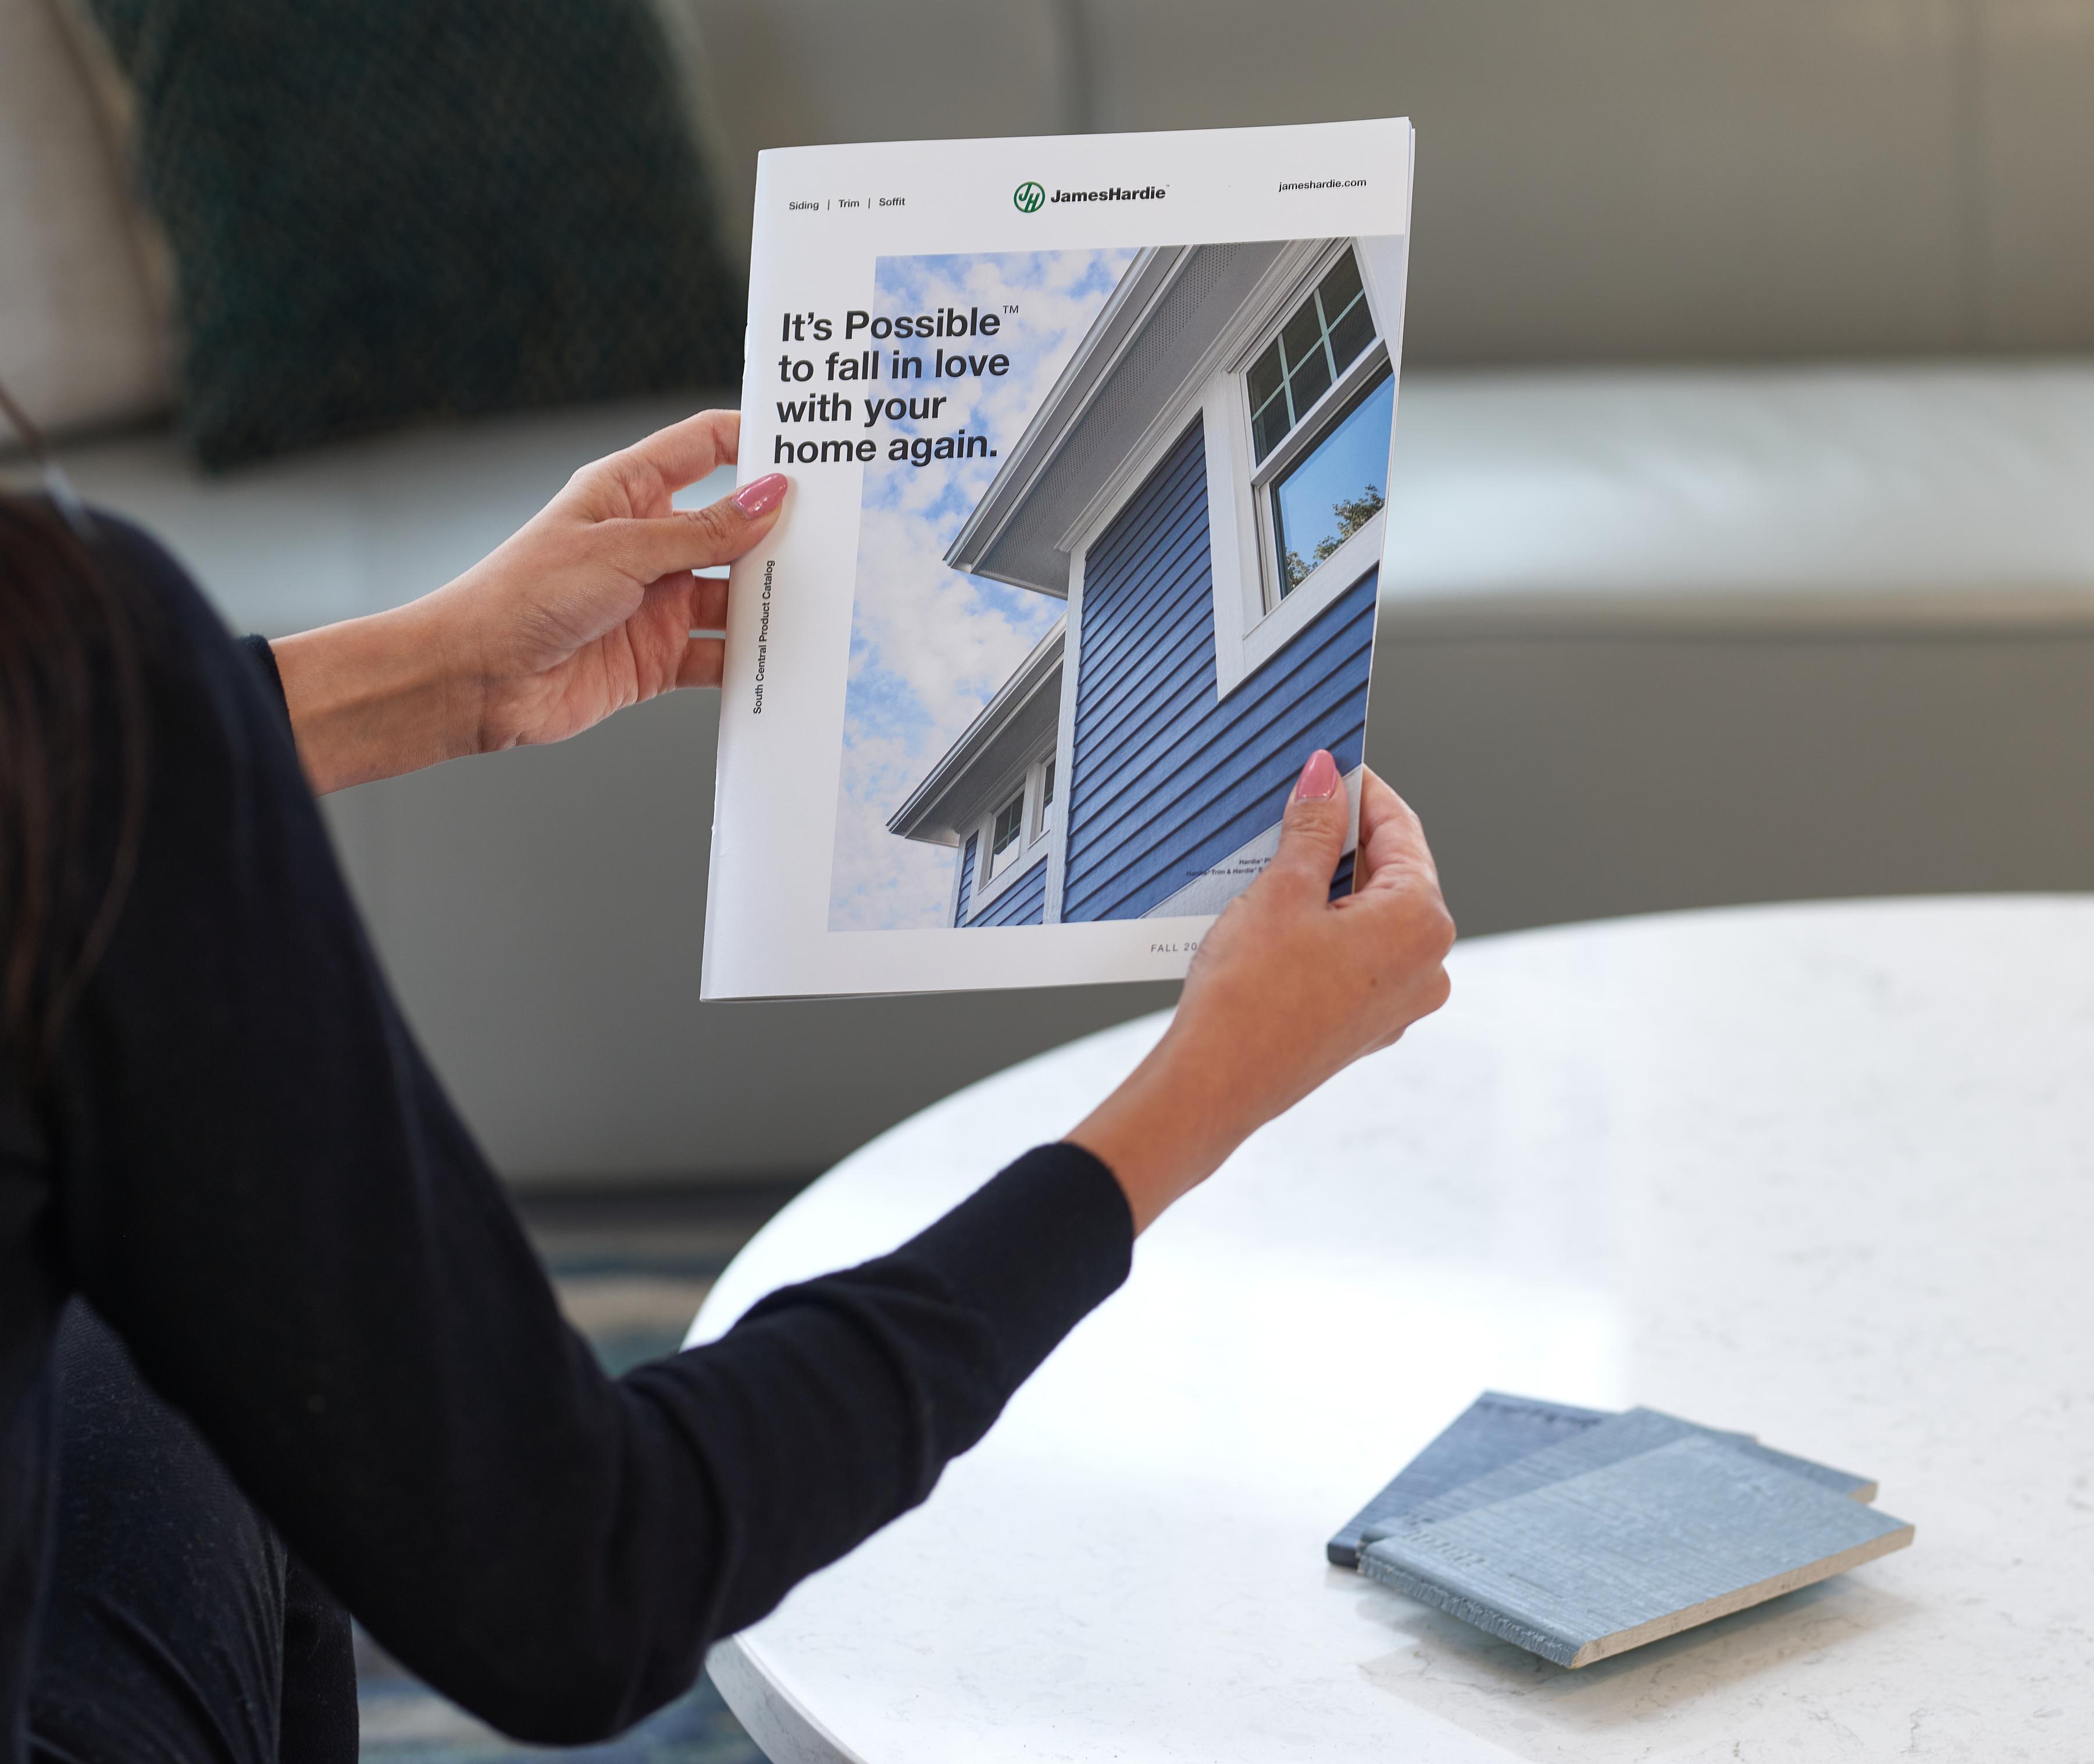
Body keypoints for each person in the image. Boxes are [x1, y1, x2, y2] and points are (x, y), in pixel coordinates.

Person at [0, 406, 1454, 1761]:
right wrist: (1205, 1087)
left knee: (159, 1357)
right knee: (226, 1347)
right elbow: (578, 1576)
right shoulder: (79, 659)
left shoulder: (71, 699)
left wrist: (444, 671)